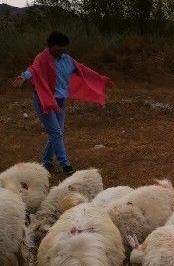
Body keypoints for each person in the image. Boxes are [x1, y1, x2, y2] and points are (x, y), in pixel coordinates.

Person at [11, 31, 111, 175]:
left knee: (57, 133)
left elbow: (83, 70)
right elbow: (33, 69)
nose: (62, 52)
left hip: (61, 101)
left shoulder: (67, 59)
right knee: (56, 133)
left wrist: (100, 79)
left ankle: (46, 162)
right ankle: (66, 166)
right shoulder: (42, 58)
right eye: (59, 49)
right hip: (44, 100)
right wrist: (24, 76)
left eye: (64, 49)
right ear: (51, 46)